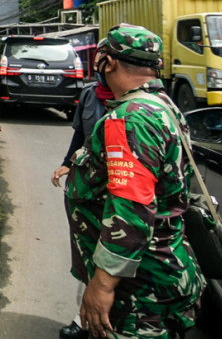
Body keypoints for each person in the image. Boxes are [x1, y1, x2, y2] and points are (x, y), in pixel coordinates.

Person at [64, 25, 204, 339]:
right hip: (162, 273)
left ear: (108, 63)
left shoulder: (129, 119)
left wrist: (102, 285)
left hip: (138, 292)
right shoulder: (164, 108)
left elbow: (131, 210)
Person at [50, 41, 115, 339]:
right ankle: (82, 320)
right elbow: (80, 134)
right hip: (87, 194)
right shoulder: (90, 94)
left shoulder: (140, 108)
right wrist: (66, 164)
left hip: (118, 197)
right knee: (88, 259)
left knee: (112, 261)